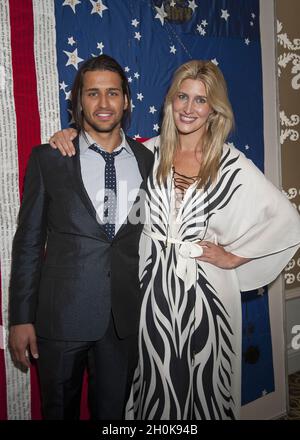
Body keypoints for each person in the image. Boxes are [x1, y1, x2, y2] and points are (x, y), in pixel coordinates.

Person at [48, 60, 300, 420]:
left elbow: (287, 220)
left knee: (206, 384)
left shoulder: (230, 162)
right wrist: (71, 133)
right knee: (154, 385)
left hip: (208, 297)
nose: (189, 108)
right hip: (150, 292)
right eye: (183, 96)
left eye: (201, 100)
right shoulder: (146, 153)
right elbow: (100, 148)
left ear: (214, 110)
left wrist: (235, 257)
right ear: (170, 100)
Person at [8, 54, 153, 420]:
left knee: (114, 415)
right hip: (60, 319)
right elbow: (27, 242)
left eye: (113, 93)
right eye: (93, 94)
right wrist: (20, 318)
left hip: (122, 320)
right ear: (77, 102)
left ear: (126, 100)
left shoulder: (148, 160)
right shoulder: (50, 158)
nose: (104, 104)